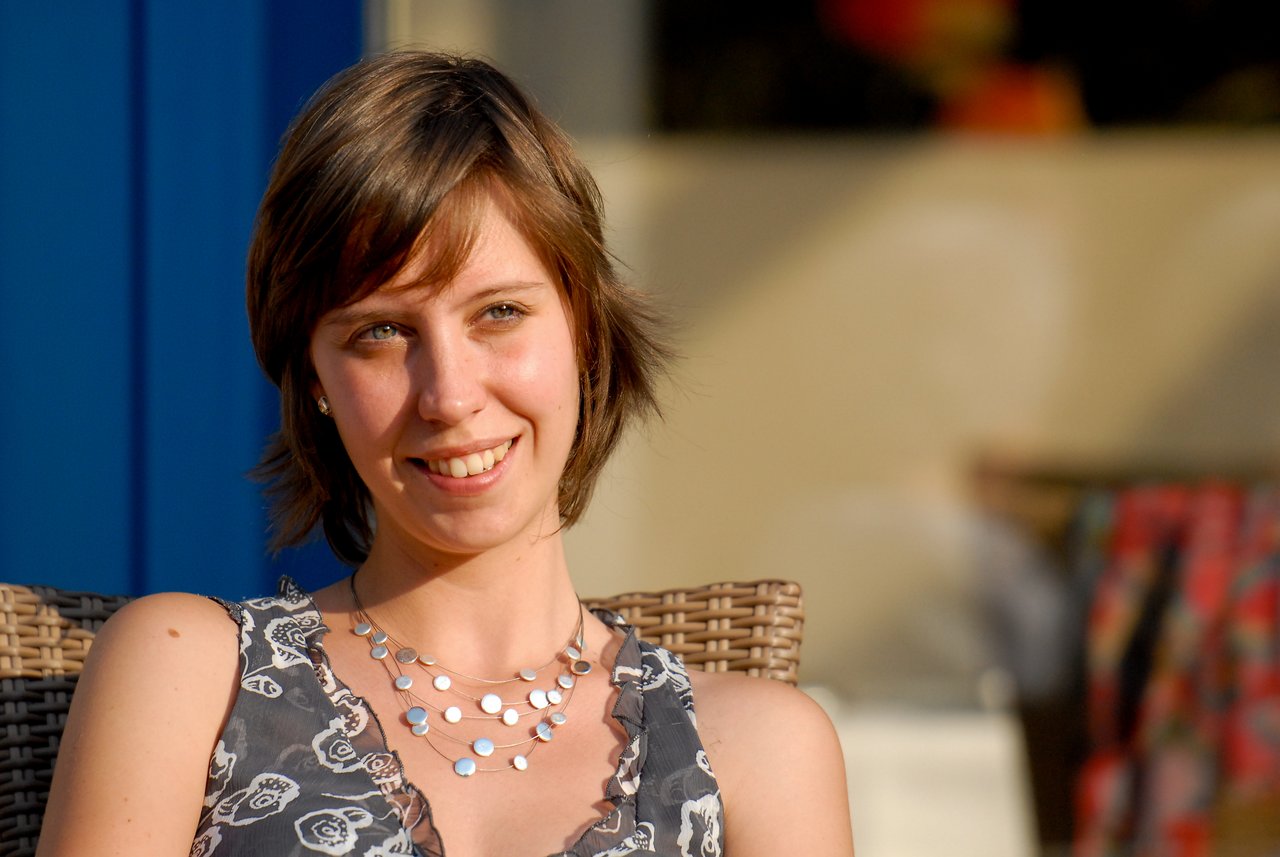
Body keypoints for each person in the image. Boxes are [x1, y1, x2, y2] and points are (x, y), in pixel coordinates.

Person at [36, 52, 854, 857]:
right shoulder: (190, 675)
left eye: (498, 312)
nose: (449, 395)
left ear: (583, 329)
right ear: (313, 375)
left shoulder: (760, 750)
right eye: (381, 332)